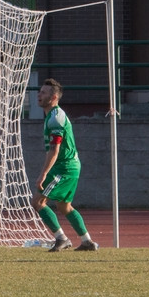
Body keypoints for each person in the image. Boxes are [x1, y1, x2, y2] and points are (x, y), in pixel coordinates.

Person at [32, 78, 98, 251]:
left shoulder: (55, 119)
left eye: (43, 92)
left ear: (53, 97)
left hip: (65, 167)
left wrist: (43, 174)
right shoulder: (52, 116)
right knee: (63, 205)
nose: (39, 95)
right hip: (69, 166)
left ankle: (61, 239)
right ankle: (87, 242)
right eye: (39, 91)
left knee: (38, 201)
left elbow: (54, 150)